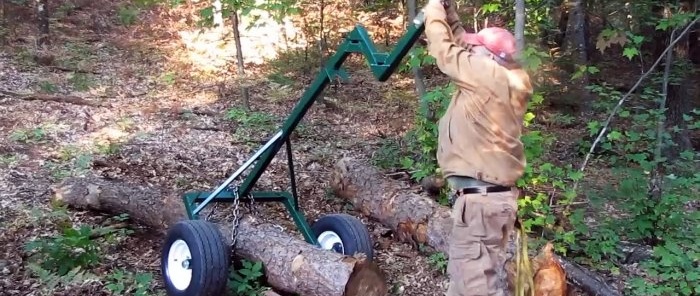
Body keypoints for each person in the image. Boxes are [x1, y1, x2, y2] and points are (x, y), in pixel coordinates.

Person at [421, 0, 534, 295]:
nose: (470, 51)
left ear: (491, 56)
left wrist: (433, 9)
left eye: (477, 49)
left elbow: (445, 52)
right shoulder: (505, 77)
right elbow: (461, 44)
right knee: (473, 284)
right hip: (490, 202)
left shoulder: (487, 76)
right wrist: (450, 12)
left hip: (481, 205)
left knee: (472, 289)